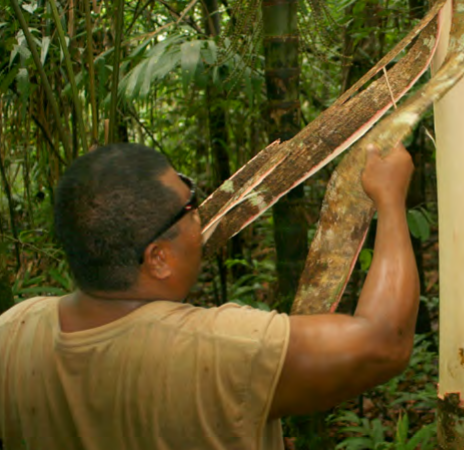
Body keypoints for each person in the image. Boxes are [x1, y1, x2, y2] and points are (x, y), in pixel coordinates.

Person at [0, 142, 419, 450]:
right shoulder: (218, 349)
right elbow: (384, 342)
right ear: (158, 259)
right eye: (191, 206)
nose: (201, 214)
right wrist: (390, 199)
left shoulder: (13, 331)